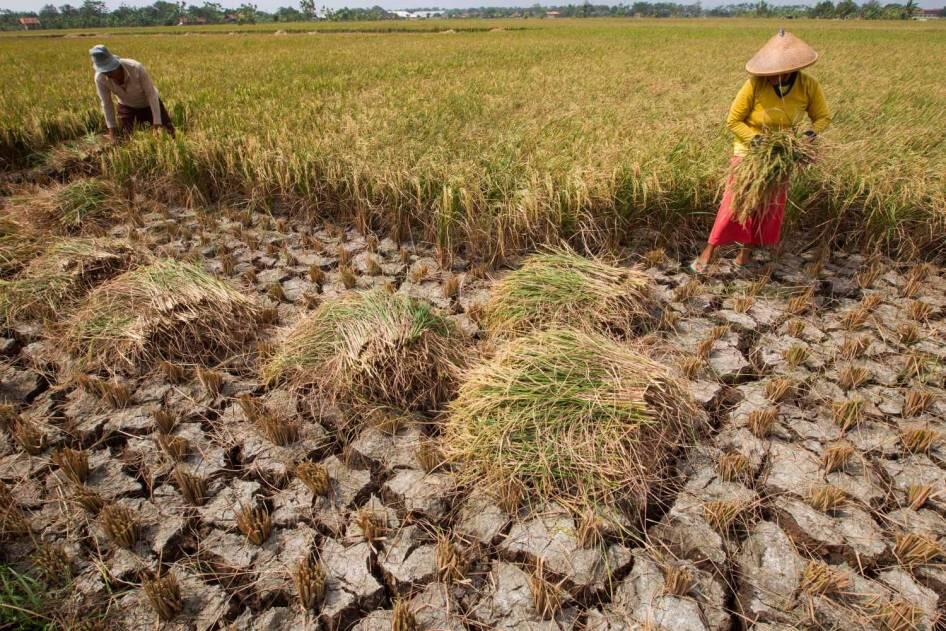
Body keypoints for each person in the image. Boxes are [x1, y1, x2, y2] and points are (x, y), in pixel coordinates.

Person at [690, 30, 831, 274]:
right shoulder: (754, 85)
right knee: (735, 203)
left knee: (766, 205)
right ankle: (709, 251)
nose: (772, 77)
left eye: (776, 73)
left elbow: (822, 118)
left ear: (790, 69)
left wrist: (808, 135)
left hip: (782, 155)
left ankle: (744, 254)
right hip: (749, 152)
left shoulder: (808, 86)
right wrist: (756, 140)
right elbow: (733, 121)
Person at [89, 44, 175, 140]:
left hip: (148, 104)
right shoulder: (100, 78)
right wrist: (112, 132)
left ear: (116, 65)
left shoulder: (135, 68)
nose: (108, 76)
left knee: (168, 135)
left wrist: (157, 123)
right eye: (105, 72)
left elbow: (151, 94)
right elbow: (106, 104)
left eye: (110, 71)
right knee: (128, 139)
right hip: (127, 107)